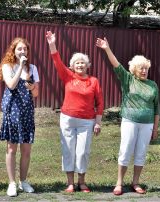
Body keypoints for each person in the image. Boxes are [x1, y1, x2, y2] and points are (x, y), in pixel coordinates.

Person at [96, 37, 160, 195]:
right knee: (125, 150)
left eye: (146, 68)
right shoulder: (128, 79)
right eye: (141, 68)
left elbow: (156, 107)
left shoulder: (153, 85)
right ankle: (119, 183)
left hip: (147, 124)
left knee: (141, 152)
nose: (144, 71)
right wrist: (106, 48)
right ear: (134, 70)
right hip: (130, 121)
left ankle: (136, 183)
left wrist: (155, 128)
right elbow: (116, 64)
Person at [45, 31, 104, 193]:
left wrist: (98, 122)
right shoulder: (68, 76)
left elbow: (100, 103)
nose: (80, 65)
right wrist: (52, 43)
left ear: (87, 66)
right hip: (68, 119)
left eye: (82, 63)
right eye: (77, 63)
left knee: (83, 151)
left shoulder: (94, 81)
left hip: (87, 121)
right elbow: (56, 60)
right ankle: (70, 183)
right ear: (72, 66)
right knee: (68, 150)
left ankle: (82, 182)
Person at [0, 37, 40, 197]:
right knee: (11, 148)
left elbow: (36, 93)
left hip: (27, 111)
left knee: (26, 149)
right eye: (19, 49)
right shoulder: (8, 66)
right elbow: (11, 85)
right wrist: (21, 67)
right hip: (13, 110)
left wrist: (32, 86)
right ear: (13, 51)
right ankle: (12, 183)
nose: (23, 51)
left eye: (25, 49)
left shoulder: (33, 68)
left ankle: (23, 181)